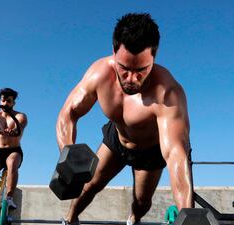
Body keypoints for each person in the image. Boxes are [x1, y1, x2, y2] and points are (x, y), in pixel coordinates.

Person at [56, 13, 193, 225]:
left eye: (141, 70)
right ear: (114, 52)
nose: (130, 78)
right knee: (89, 185)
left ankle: (133, 219)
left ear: (153, 57)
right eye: (124, 68)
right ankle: (70, 219)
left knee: (142, 201)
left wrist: (188, 215)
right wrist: (68, 152)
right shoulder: (99, 73)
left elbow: (176, 153)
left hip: (151, 149)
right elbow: (69, 112)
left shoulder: (167, 93)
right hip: (117, 138)